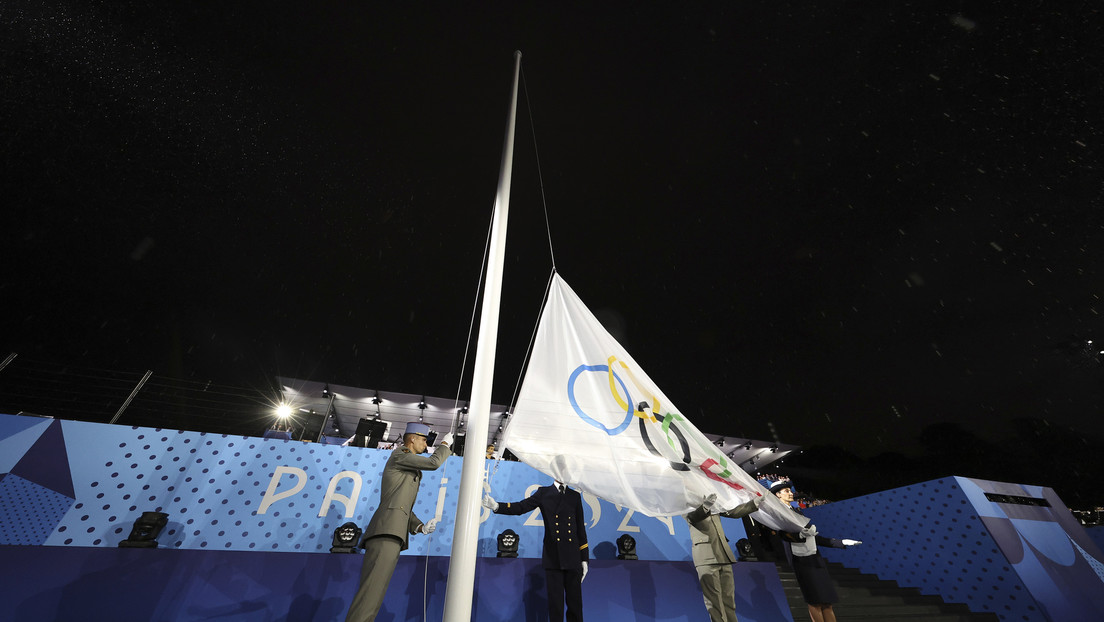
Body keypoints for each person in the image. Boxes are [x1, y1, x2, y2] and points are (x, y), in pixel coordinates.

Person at [344, 422, 453, 622]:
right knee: (371, 593)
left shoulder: (408, 466)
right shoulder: (400, 454)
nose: (426, 445)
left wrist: (419, 526)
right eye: (424, 439)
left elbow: (401, 505)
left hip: (393, 532)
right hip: (386, 531)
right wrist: (445, 445)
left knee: (375, 593)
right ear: (412, 438)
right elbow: (433, 463)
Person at [483, 481, 589, 622]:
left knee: (575, 606)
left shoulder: (574, 496)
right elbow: (521, 507)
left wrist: (584, 559)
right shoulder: (543, 493)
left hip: (573, 557)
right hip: (553, 556)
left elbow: (580, 529)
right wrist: (497, 506)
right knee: (555, 606)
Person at [763, 478, 861, 622]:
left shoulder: (797, 511)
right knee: (815, 601)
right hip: (801, 561)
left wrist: (840, 542)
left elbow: (814, 537)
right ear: (778, 495)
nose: (790, 493)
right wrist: (799, 535)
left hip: (814, 557)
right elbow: (783, 534)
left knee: (827, 601)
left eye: (790, 490)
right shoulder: (779, 512)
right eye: (786, 491)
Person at [684, 493, 763, 622]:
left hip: (723, 553)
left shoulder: (713, 502)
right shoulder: (686, 502)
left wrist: (754, 503)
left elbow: (733, 512)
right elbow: (692, 517)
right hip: (706, 556)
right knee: (714, 603)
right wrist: (705, 506)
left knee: (729, 600)